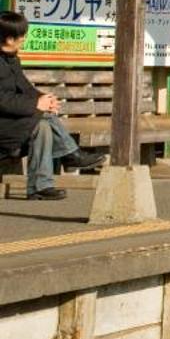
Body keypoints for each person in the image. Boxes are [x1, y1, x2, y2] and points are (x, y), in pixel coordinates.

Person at [0, 11, 107, 201]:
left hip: (12, 124)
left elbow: (24, 87)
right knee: (42, 117)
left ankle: (40, 187)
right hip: (4, 127)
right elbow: (3, 100)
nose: (24, 38)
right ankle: (71, 155)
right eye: (22, 35)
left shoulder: (12, 59)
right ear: (9, 39)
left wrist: (44, 99)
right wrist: (36, 104)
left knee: (42, 125)